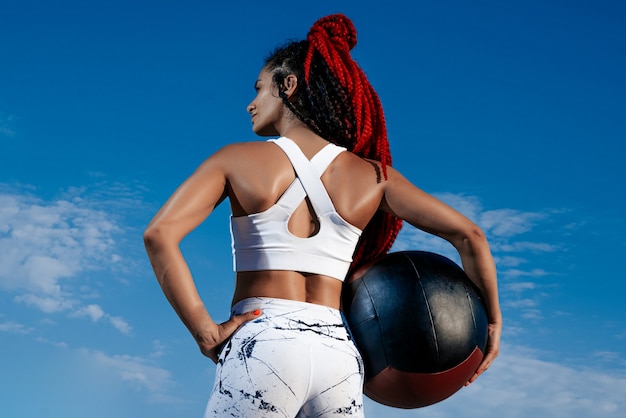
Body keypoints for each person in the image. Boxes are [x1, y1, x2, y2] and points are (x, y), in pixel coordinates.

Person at [144, 14, 501, 418]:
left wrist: (203, 330)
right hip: (338, 357)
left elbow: (159, 235)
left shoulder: (236, 159)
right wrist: (491, 323)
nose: (251, 102)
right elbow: (470, 235)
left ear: (288, 85)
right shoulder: (374, 178)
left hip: (264, 344)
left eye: (260, 88)